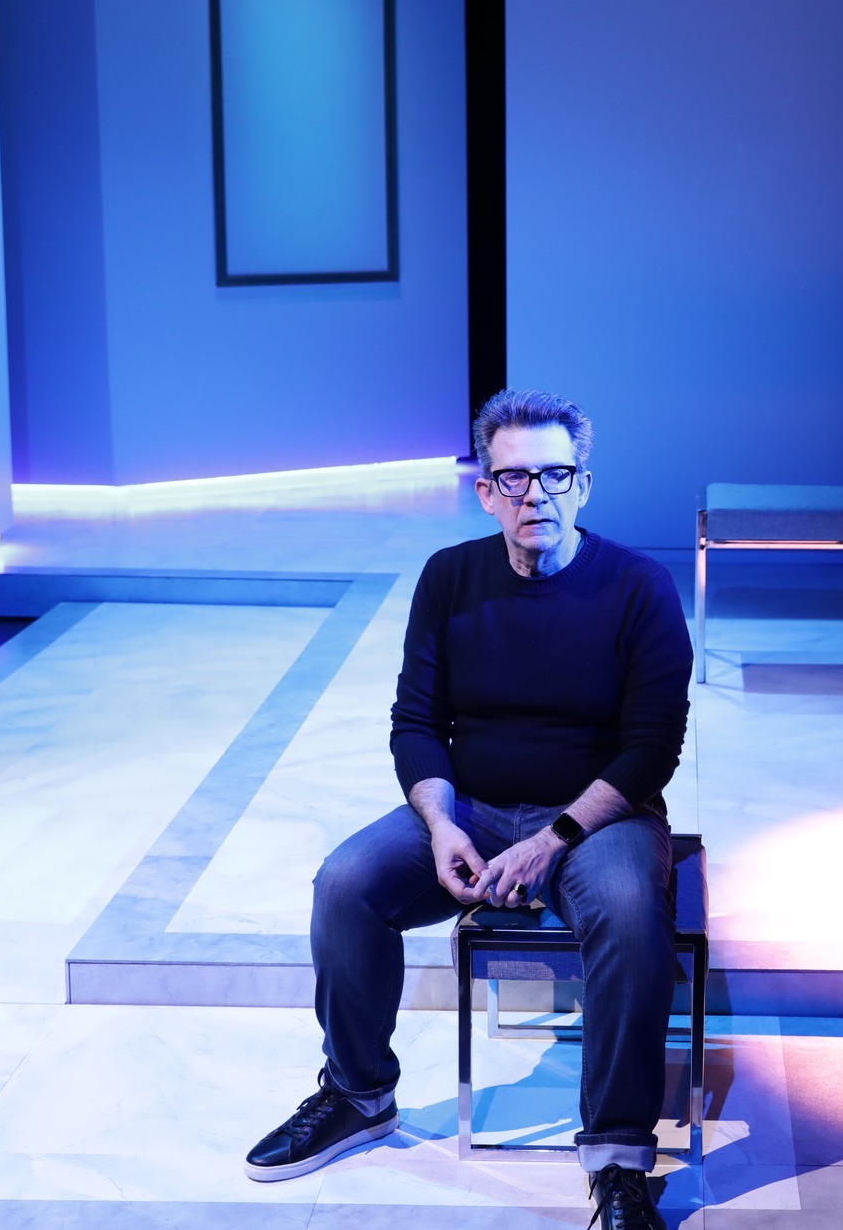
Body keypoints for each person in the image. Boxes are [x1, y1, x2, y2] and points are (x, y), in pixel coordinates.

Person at [243, 389, 690, 1230]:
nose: (536, 494)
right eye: (514, 477)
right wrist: (443, 822)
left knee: (630, 912)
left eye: (555, 474)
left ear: (584, 485)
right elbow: (415, 721)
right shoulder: (450, 577)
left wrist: (551, 839)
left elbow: (651, 748)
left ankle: (618, 1157)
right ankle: (358, 1093)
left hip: (598, 818)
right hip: (475, 808)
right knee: (345, 883)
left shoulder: (640, 586)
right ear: (486, 491)